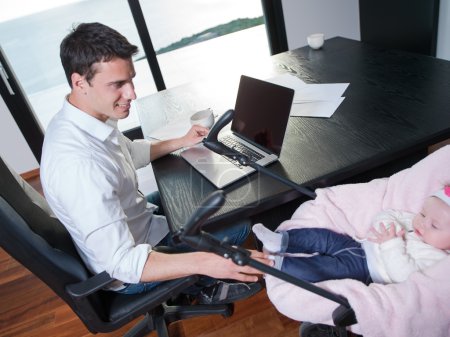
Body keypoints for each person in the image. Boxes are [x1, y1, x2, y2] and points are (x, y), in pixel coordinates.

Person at [40, 22, 272, 304]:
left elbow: (131, 153)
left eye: (131, 80)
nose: (132, 94)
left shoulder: (85, 117)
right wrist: (207, 262)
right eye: (118, 85)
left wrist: (183, 141)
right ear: (80, 82)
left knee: (204, 186)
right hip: (132, 266)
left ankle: (196, 275)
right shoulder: (78, 164)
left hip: (138, 219)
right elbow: (122, 263)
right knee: (239, 224)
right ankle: (203, 287)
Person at [252, 186, 450, 285]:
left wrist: (392, 243)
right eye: (423, 213)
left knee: (322, 269)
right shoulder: (415, 224)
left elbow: (404, 276)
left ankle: (276, 266)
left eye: (433, 224)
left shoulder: (438, 260)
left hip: (366, 271)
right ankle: (282, 241)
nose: (422, 221)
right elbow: (389, 214)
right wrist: (386, 226)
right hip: (359, 246)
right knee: (324, 237)